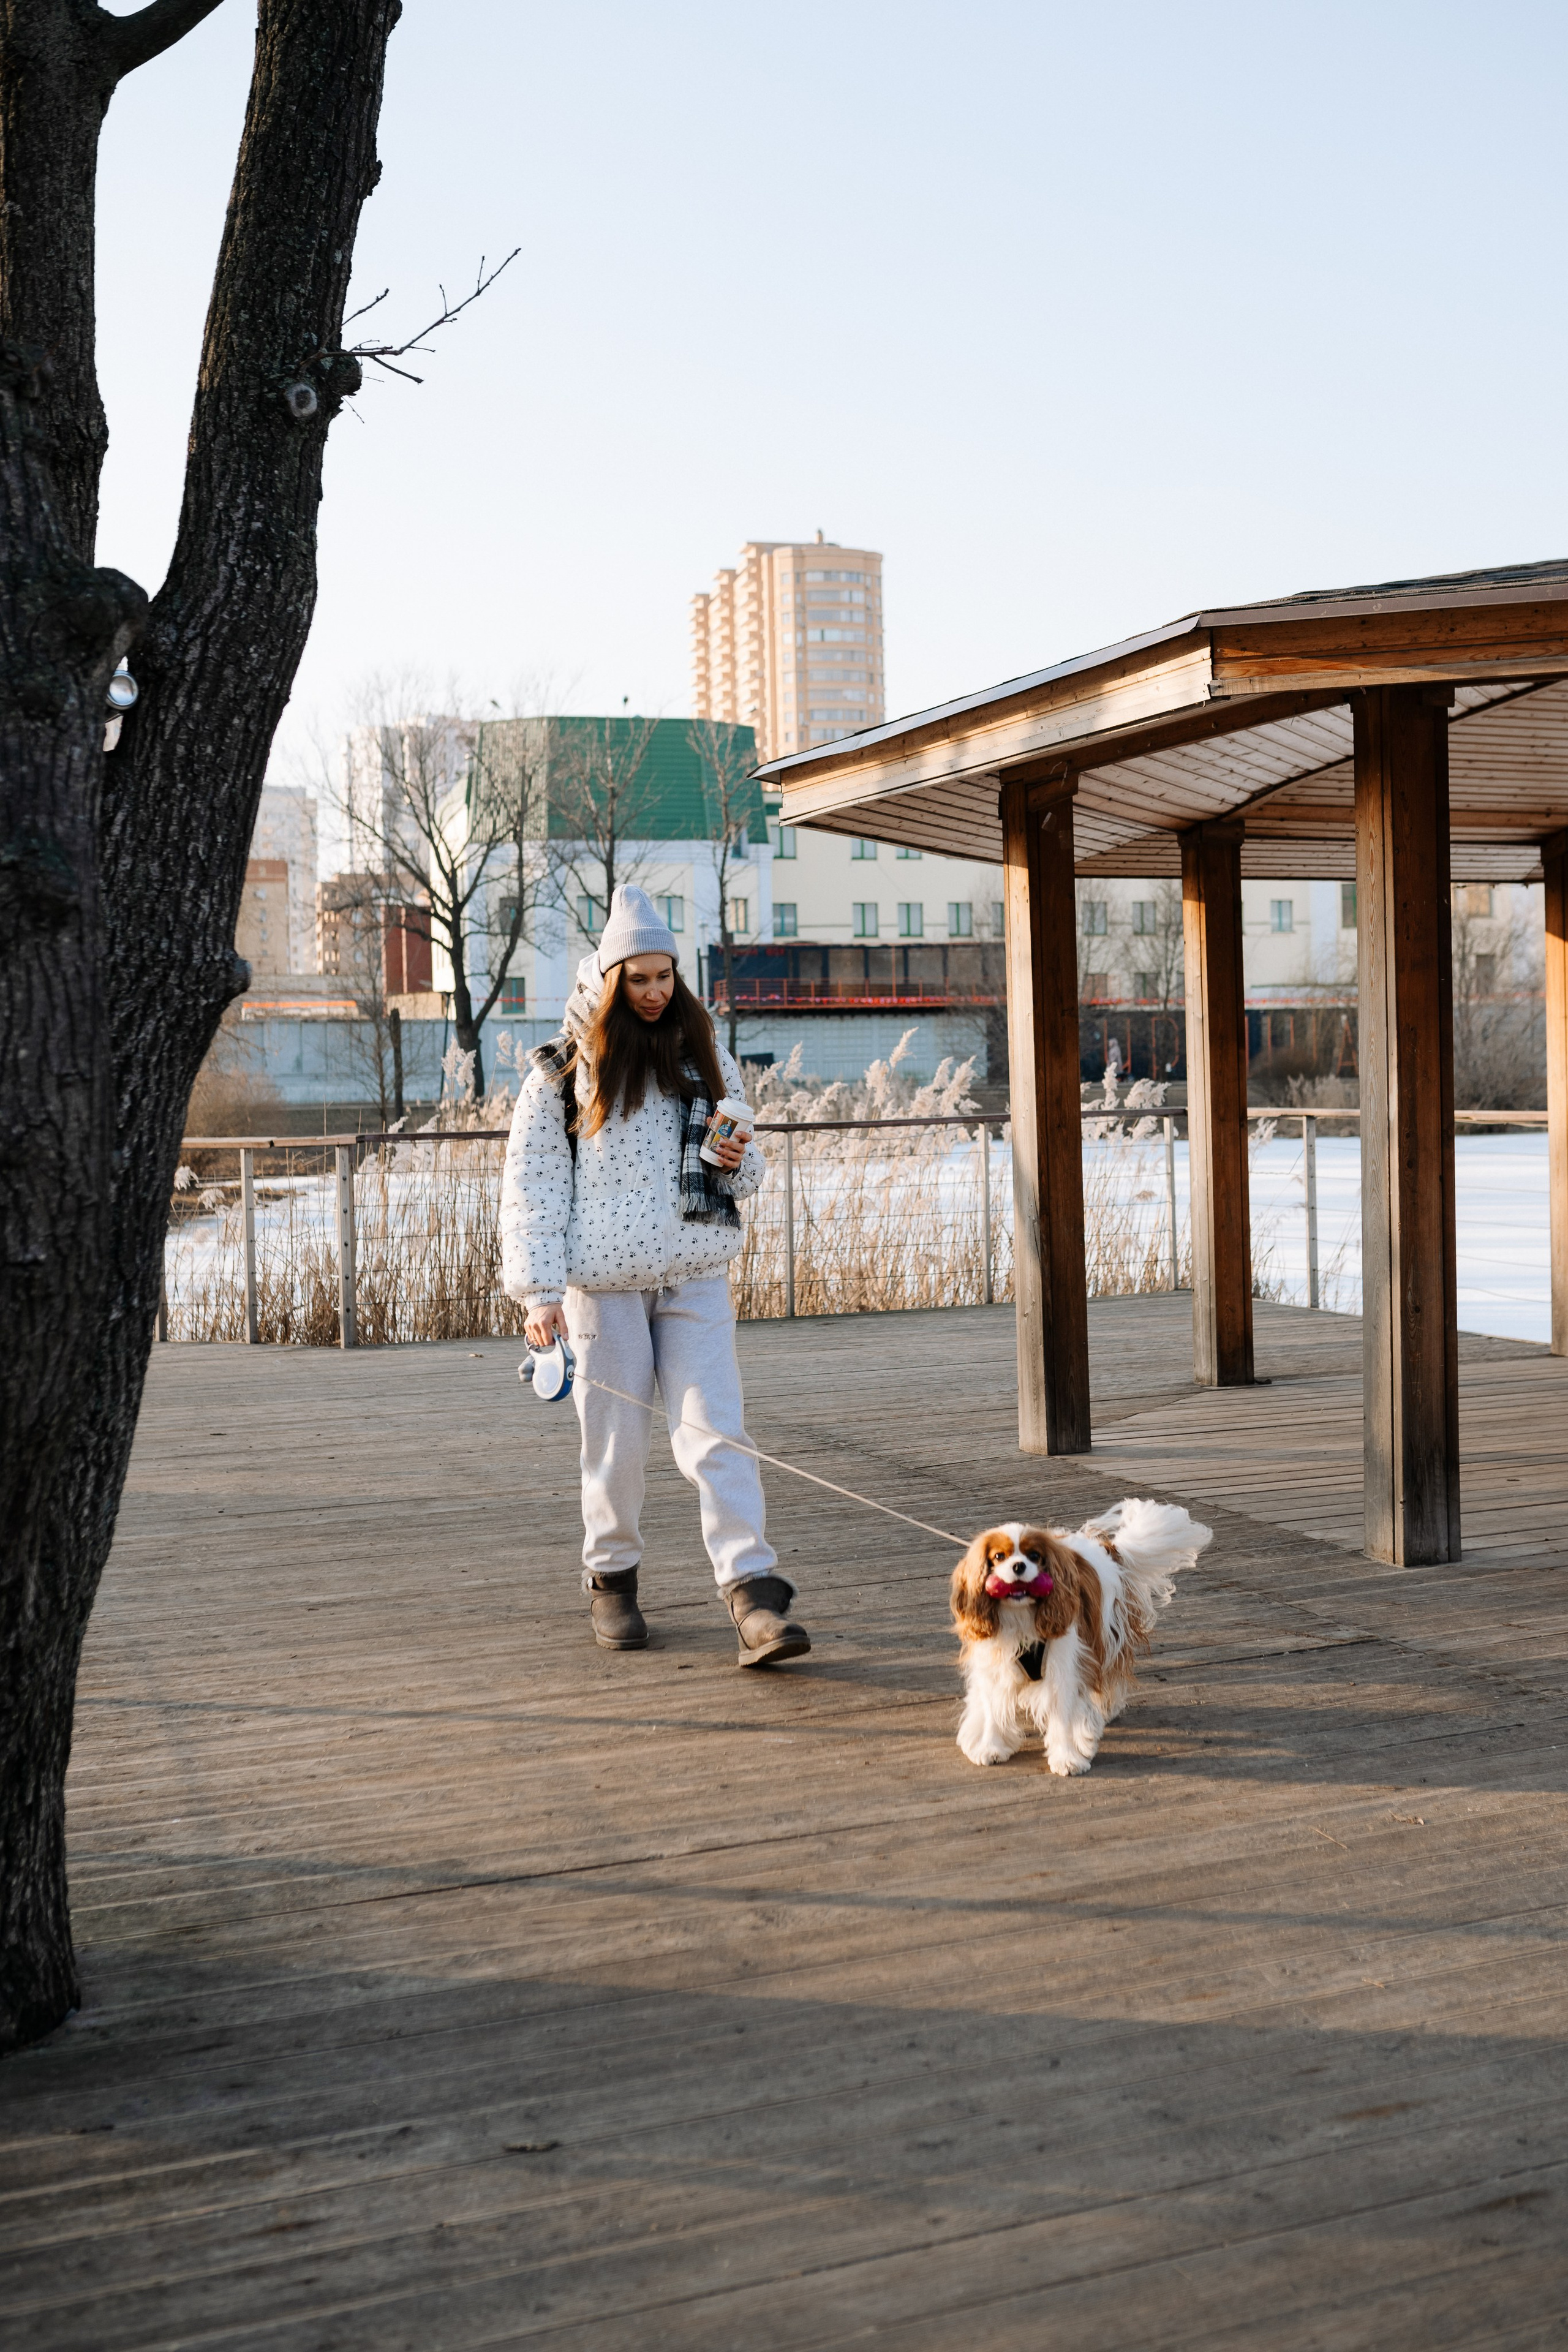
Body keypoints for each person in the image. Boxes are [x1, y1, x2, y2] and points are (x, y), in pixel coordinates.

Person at [501, 884, 810, 1667]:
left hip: (696, 1273)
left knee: (716, 1431)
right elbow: (532, 1185)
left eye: (664, 976)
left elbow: (744, 1170)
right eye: (637, 979)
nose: (654, 993)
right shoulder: (560, 1072)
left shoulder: (705, 1055)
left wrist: (742, 1161)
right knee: (616, 1444)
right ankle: (612, 1578)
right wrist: (537, 1294)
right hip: (602, 1288)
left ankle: (754, 1594)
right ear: (609, 982)